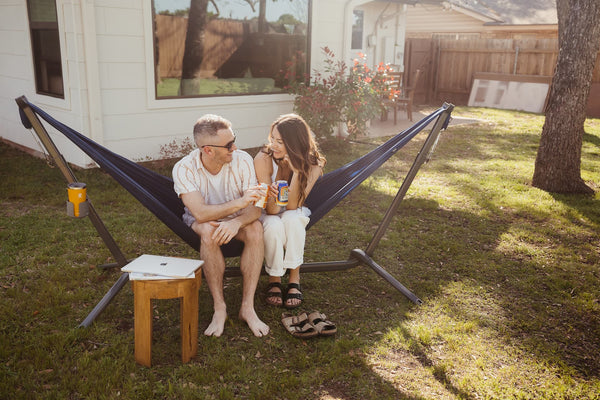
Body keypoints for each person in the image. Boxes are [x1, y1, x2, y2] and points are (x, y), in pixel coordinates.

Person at [172, 114, 270, 337]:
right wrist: (239, 203)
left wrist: (236, 221)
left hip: (239, 217)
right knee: (208, 231)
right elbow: (200, 213)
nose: (234, 147)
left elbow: (255, 209)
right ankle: (220, 308)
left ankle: (248, 307)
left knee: (255, 228)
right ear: (208, 150)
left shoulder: (242, 160)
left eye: (234, 139)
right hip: (202, 221)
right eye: (228, 145)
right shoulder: (184, 168)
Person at [254, 114, 326, 309]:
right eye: (272, 139)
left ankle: (294, 276)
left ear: (295, 144)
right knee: (274, 223)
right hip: (267, 211)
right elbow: (269, 210)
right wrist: (276, 183)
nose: (274, 145)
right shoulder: (263, 159)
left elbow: (294, 205)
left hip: (294, 209)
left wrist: (296, 172)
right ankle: (275, 278)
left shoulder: (313, 164)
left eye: (280, 142)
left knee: (293, 219)